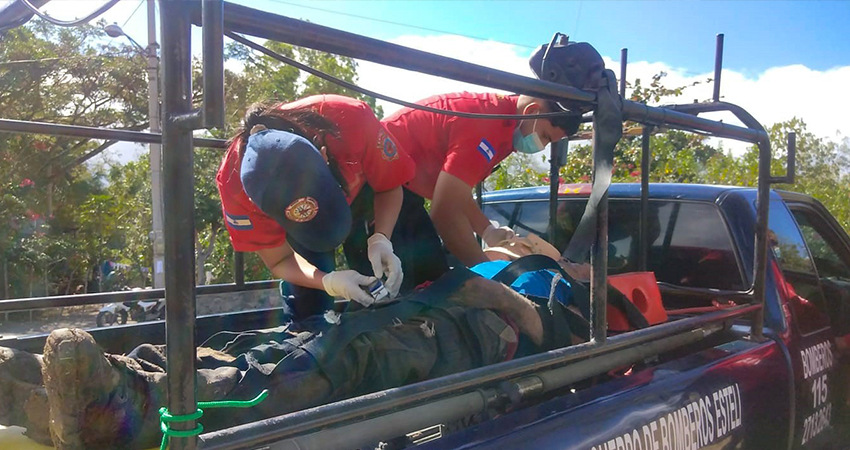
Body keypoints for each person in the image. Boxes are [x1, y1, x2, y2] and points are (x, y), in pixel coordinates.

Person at [0, 268, 580, 450]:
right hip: (389, 321)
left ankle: (131, 409)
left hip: (430, 344)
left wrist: (470, 275)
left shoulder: (556, 303)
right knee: (270, 353)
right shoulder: (525, 262)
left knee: (306, 373)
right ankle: (39, 393)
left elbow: (514, 313)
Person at [381, 39, 604, 267]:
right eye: (546, 137)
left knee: (426, 273)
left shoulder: (505, 129)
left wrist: (487, 230)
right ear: (532, 112)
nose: (543, 147)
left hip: (396, 184)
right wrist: (487, 273)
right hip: (375, 178)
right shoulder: (487, 128)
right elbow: (444, 211)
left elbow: (456, 190)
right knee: (412, 278)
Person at [217, 95, 432, 323]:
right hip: (299, 236)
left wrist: (382, 239)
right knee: (308, 312)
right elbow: (279, 260)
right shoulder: (233, 188)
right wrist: (327, 281)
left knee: (396, 286)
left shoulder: (350, 120)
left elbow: (389, 186)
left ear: (323, 154)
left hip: (364, 197)